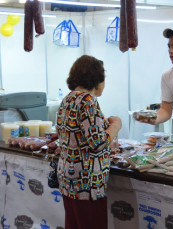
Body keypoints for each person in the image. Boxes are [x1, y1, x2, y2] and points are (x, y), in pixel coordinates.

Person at [56, 55, 122, 229]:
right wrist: (115, 126)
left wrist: (103, 124)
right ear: (97, 79)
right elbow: (98, 143)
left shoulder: (68, 99)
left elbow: (75, 133)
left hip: (68, 180)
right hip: (87, 184)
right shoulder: (88, 101)